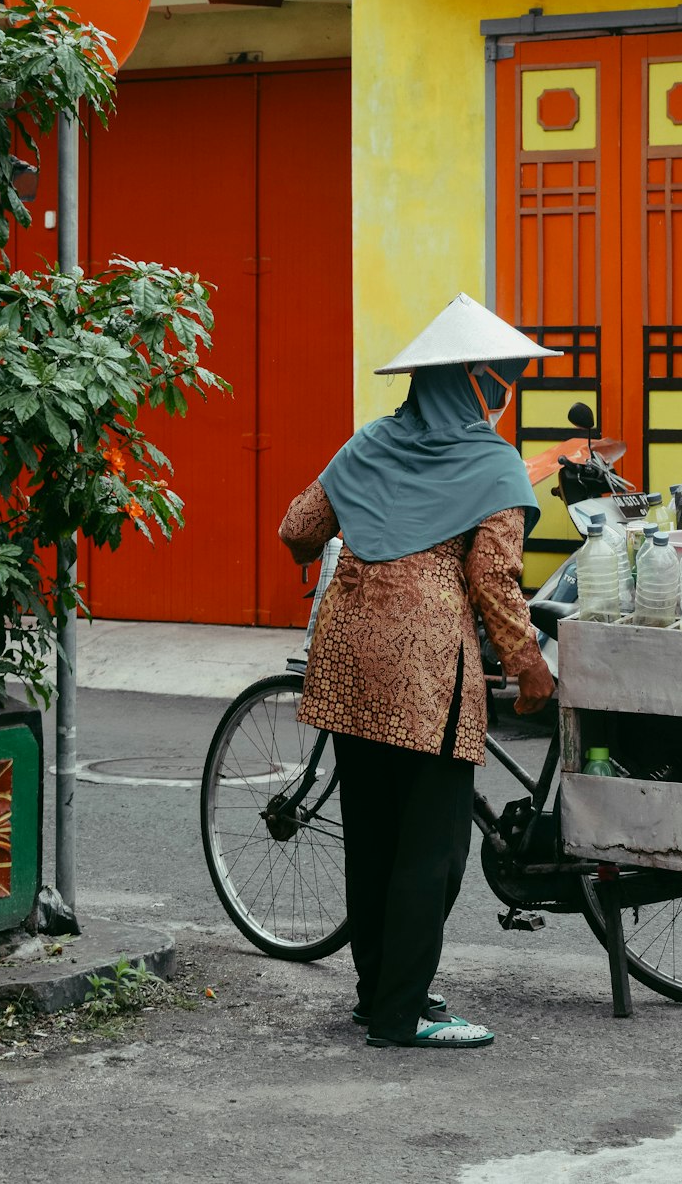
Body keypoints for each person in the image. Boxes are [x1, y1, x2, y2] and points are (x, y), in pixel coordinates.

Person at [279, 293, 558, 1050]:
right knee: (432, 850)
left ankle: (379, 997)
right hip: (425, 673)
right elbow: (496, 583)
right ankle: (402, 1015)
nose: (503, 396)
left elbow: (298, 527)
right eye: (498, 381)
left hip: (346, 660)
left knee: (371, 837)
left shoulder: (369, 443)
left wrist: (361, 529)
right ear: (470, 383)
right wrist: (529, 666)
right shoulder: (495, 467)